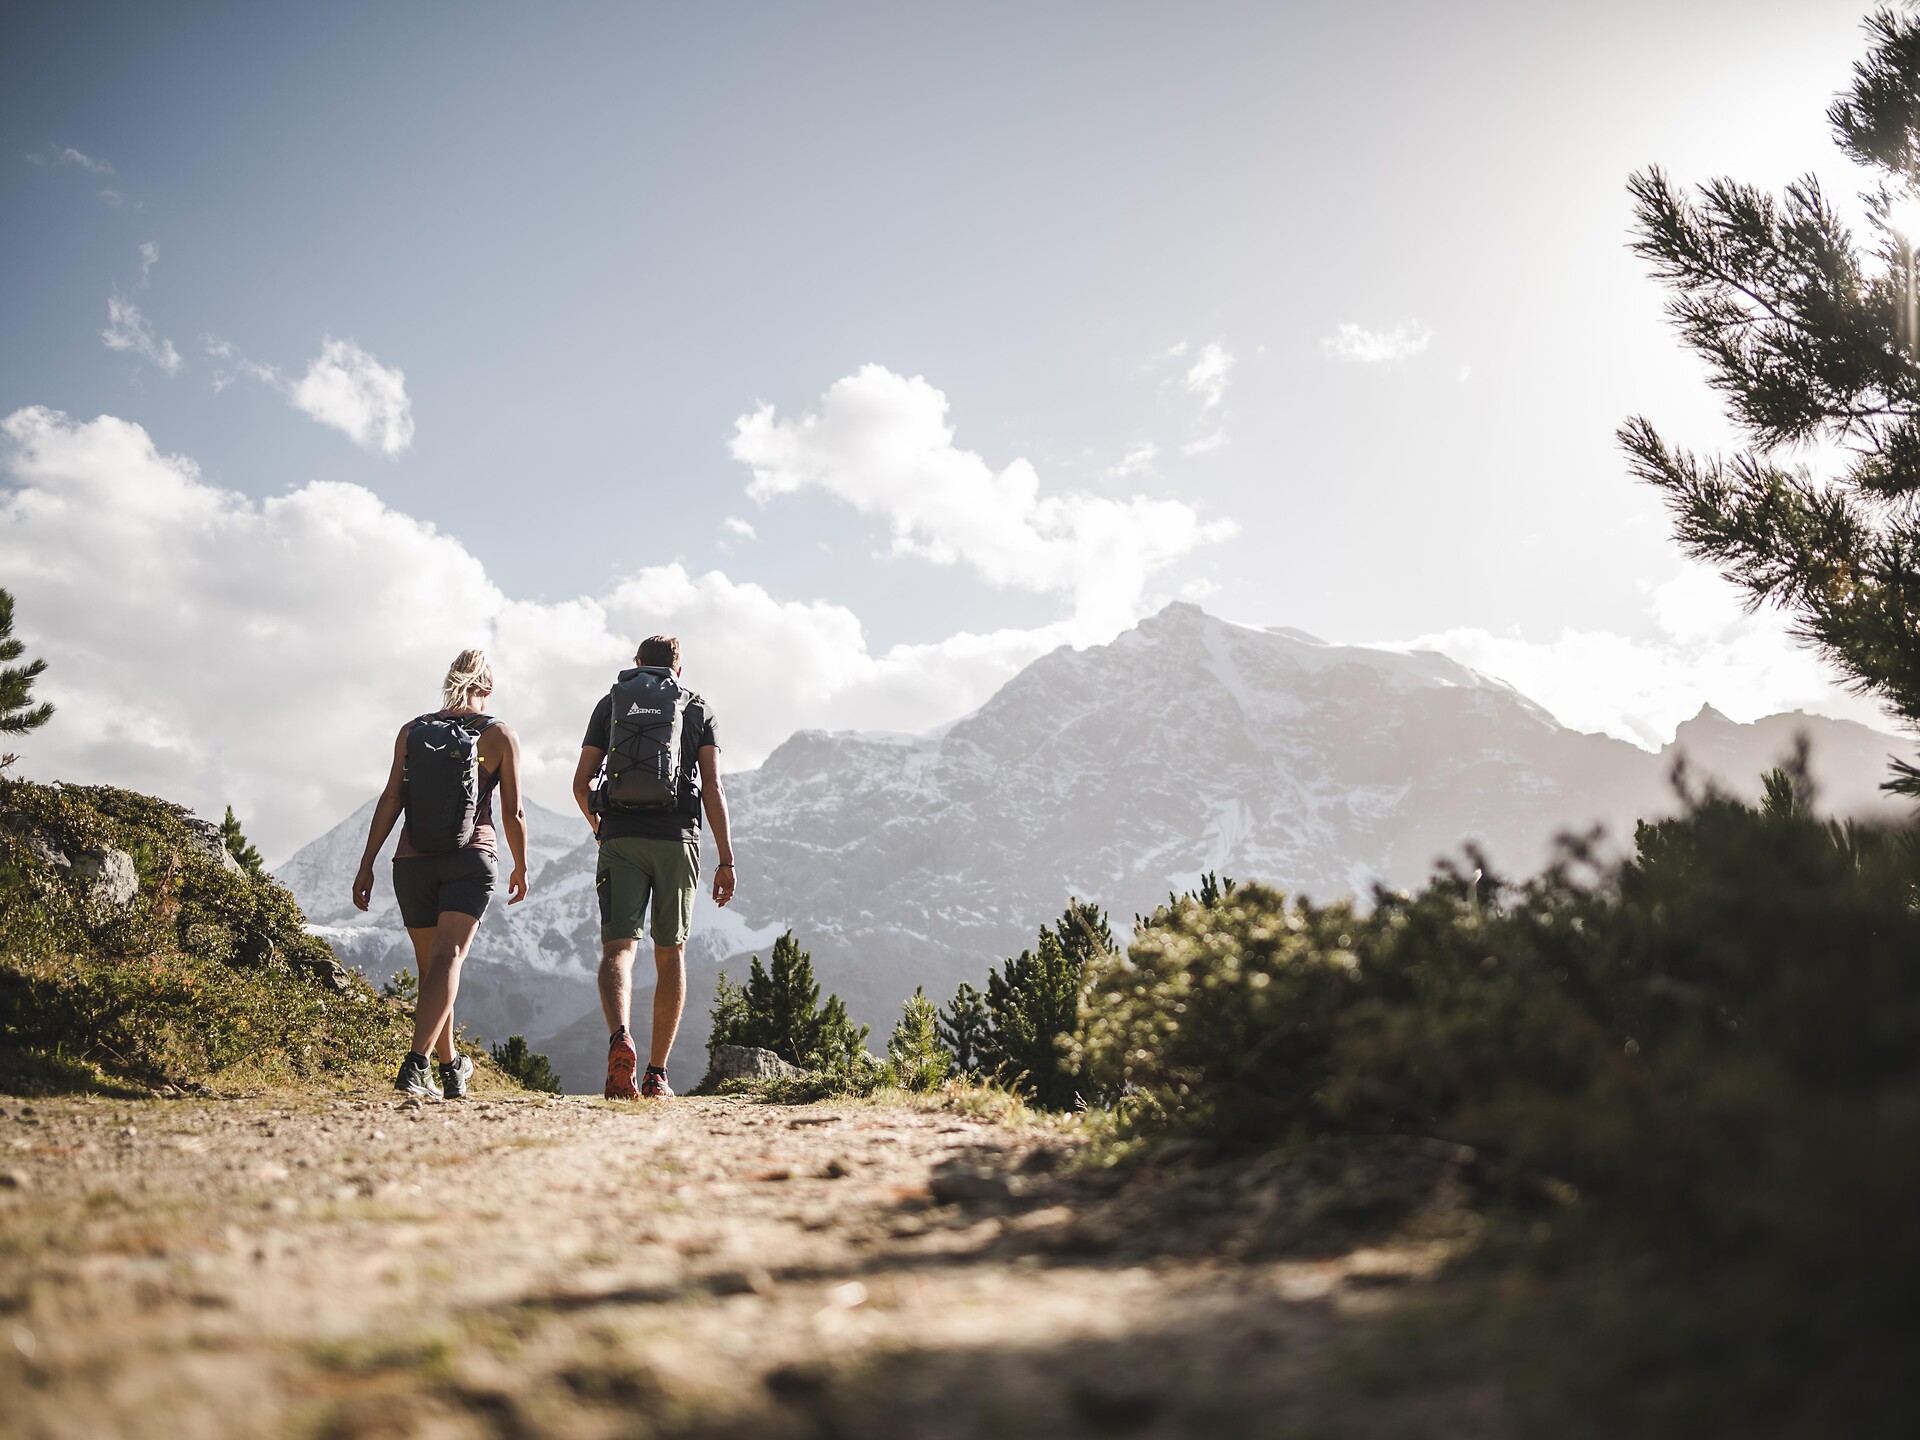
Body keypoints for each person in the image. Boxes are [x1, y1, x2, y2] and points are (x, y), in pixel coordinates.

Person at [353, 649, 530, 1099]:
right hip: (470, 857)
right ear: (486, 690)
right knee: (449, 960)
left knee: (432, 968)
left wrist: (367, 862)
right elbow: (513, 812)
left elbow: (391, 798)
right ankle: (415, 1065)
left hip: (411, 862)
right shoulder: (498, 735)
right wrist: (522, 863)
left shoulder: (412, 732)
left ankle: (449, 1068)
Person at [573, 634, 735, 1099]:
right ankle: (657, 1074)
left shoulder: (612, 703)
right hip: (678, 838)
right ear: (677, 670)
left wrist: (599, 825)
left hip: (621, 836)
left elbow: (581, 782)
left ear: (637, 664)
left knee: (619, 950)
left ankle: (620, 1039)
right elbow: (713, 789)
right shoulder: (697, 708)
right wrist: (726, 859)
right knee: (670, 953)